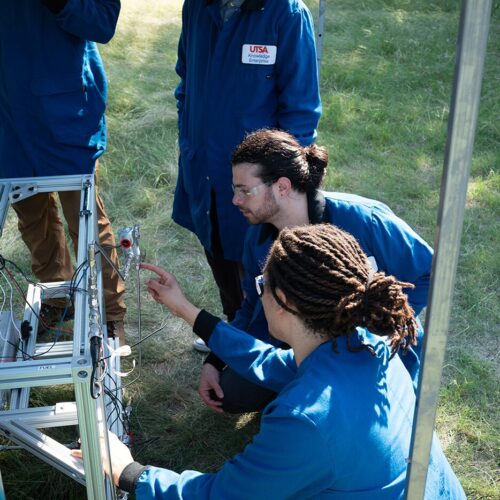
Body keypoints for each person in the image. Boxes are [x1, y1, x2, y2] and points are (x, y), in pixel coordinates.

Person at [73, 225, 465, 498]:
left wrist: (128, 471)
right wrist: (190, 312)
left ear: (286, 304)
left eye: (262, 284)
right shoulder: (366, 343)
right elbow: (271, 362)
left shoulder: (305, 420)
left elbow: (224, 496)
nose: (258, 291)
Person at [199, 129, 433, 413]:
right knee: (231, 394)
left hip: (368, 349)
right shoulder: (257, 239)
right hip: (298, 346)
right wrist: (216, 358)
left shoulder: (364, 219)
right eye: (234, 190)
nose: (235, 200)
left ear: (282, 187)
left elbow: (429, 272)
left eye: (245, 191)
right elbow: (251, 309)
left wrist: (381, 325)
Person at [173, 0, 322, 341]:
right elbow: (186, 81)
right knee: (216, 248)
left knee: (261, 268)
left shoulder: (286, 15)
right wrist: (188, 132)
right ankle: (231, 337)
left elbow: (301, 113)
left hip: (259, 184)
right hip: (205, 170)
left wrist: (279, 181)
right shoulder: (196, 7)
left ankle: (266, 351)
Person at [0, 0, 126, 341]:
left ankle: (110, 315)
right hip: (8, 118)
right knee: (33, 218)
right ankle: (57, 298)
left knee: (85, 221)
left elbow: (103, 21)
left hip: (64, 108)